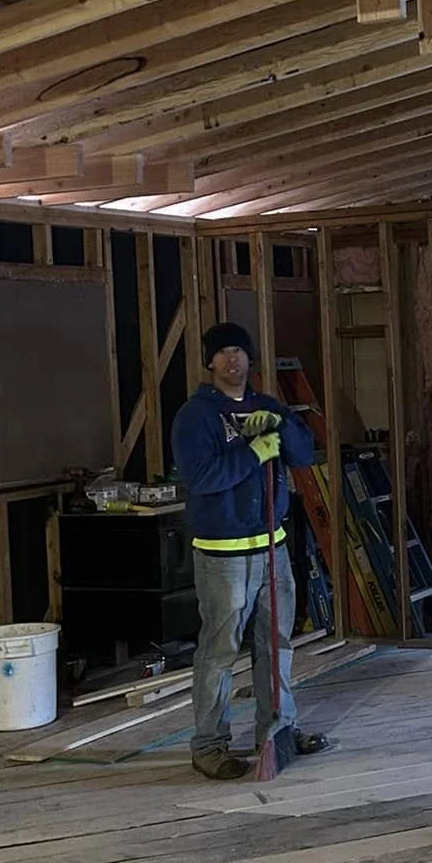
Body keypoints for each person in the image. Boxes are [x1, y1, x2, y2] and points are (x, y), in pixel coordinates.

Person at [170, 323, 322, 779]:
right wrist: (255, 453)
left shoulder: (265, 405)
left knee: (274, 646)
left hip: (271, 549)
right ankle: (209, 746)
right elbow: (201, 478)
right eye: (222, 353)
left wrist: (280, 426)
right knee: (219, 651)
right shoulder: (195, 417)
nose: (232, 360)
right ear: (209, 362)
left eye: (239, 351)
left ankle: (276, 734)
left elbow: (304, 453)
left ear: (249, 359)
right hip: (223, 556)